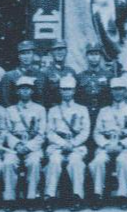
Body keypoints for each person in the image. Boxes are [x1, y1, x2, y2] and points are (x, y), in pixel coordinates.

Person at [89, 76, 127, 209]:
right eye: (115, 89)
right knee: (98, 162)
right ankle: (97, 195)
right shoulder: (104, 111)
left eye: (120, 89)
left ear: (125, 91)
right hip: (106, 146)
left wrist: (122, 144)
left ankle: (123, 195)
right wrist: (105, 145)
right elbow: (97, 133)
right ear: (111, 92)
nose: (118, 92)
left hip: (125, 146)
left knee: (123, 161)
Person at [45, 76, 90, 210]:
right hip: (58, 145)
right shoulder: (53, 110)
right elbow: (50, 132)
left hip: (76, 145)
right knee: (54, 160)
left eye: (69, 90)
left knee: (76, 161)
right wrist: (62, 143)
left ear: (74, 91)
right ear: (60, 91)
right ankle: (50, 196)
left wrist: (73, 143)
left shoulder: (82, 109)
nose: (66, 92)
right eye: (64, 90)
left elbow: (85, 132)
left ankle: (77, 197)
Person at [3, 76, 47, 207]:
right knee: (8, 162)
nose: (25, 92)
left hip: (32, 146)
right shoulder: (10, 110)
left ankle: (31, 197)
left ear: (32, 91)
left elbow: (41, 133)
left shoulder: (40, 109)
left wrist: (28, 146)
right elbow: (6, 132)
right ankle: (9, 198)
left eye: (28, 89)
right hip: (15, 146)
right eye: (22, 89)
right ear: (17, 91)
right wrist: (17, 145)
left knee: (33, 162)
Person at [0, 40, 48, 107]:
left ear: (33, 55)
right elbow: (5, 100)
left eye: (29, 53)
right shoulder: (9, 76)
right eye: (23, 54)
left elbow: (44, 99)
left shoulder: (41, 76)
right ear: (19, 56)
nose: (26, 57)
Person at [75, 43, 112, 125]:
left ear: (101, 56)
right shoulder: (80, 76)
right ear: (86, 57)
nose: (94, 57)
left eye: (96, 54)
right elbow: (76, 97)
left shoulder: (108, 75)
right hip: (85, 113)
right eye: (91, 54)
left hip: (103, 112)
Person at [45, 39, 77, 106]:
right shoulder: (46, 72)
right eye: (56, 50)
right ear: (51, 52)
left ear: (66, 52)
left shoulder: (71, 71)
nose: (59, 52)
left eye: (62, 50)